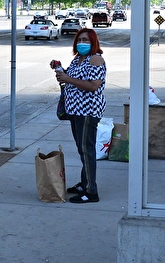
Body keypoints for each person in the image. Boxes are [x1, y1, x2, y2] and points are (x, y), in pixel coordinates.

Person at [50, 28, 107, 203]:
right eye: (79, 40)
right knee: (82, 149)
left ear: (93, 42)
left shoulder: (96, 59)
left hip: (88, 111)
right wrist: (60, 70)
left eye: (86, 40)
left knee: (86, 150)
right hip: (75, 111)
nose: (82, 43)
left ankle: (91, 191)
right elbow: (70, 77)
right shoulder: (78, 60)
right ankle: (85, 183)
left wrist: (68, 79)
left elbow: (93, 86)